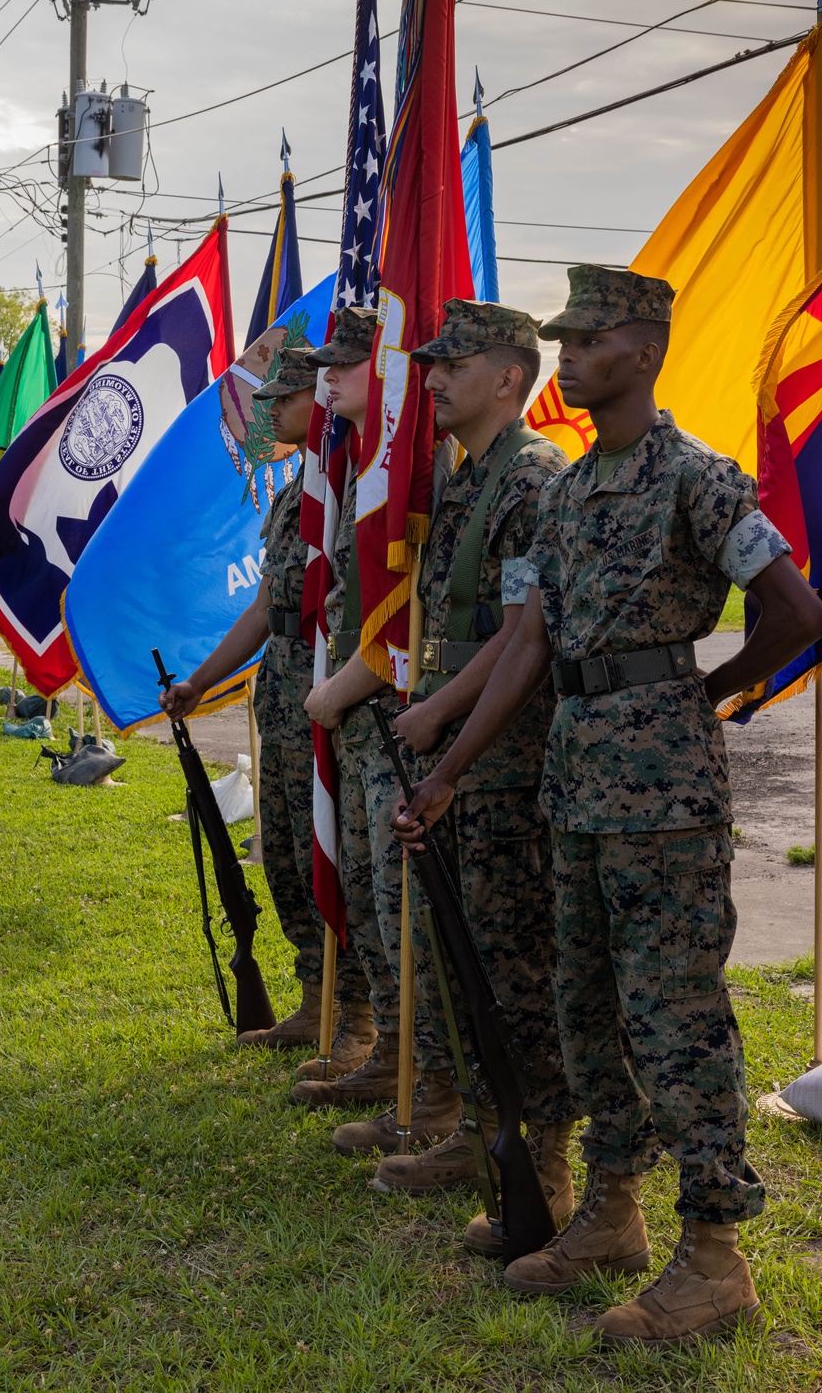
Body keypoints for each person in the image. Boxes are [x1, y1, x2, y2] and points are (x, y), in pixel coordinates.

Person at [392, 266, 822, 1345]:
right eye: (566, 340)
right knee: (585, 1009)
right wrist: (448, 769)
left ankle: (716, 1253)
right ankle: (612, 1210)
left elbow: (795, 609)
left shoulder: (698, 479)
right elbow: (529, 643)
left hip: (663, 796)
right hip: (574, 786)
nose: (571, 358)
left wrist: (708, 692)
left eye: (588, 341)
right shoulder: (569, 490)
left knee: (671, 1019)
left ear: (643, 351)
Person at [338, 299, 579, 1251]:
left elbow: (523, 635)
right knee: (455, 960)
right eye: (429, 363)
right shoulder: (473, 479)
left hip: (506, 771)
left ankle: (545, 1172)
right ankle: (478, 1139)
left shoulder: (530, 478)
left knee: (510, 973)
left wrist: (439, 711)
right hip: (459, 764)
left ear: (509, 378)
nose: (430, 379)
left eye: (453, 364)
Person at [159, 344, 372, 1064]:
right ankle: (315, 1003)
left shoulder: (354, 486)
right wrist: (200, 680)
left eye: (282, 399)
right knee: (284, 851)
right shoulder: (293, 496)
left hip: (331, 688)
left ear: (322, 398)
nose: (268, 412)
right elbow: (261, 609)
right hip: (281, 687)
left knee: (334, 852)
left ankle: (358, 1020)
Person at [290, 306, 463, 1153]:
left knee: (404, 913)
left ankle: (429, 1093)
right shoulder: (350, 463)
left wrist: (342, 688)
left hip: (396, 722)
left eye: (345, 364)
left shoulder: (407, 472)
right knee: (368, 900)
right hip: (361, 726)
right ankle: (394, 1058)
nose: (327, 378)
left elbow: (407, 621)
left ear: (385, 368)